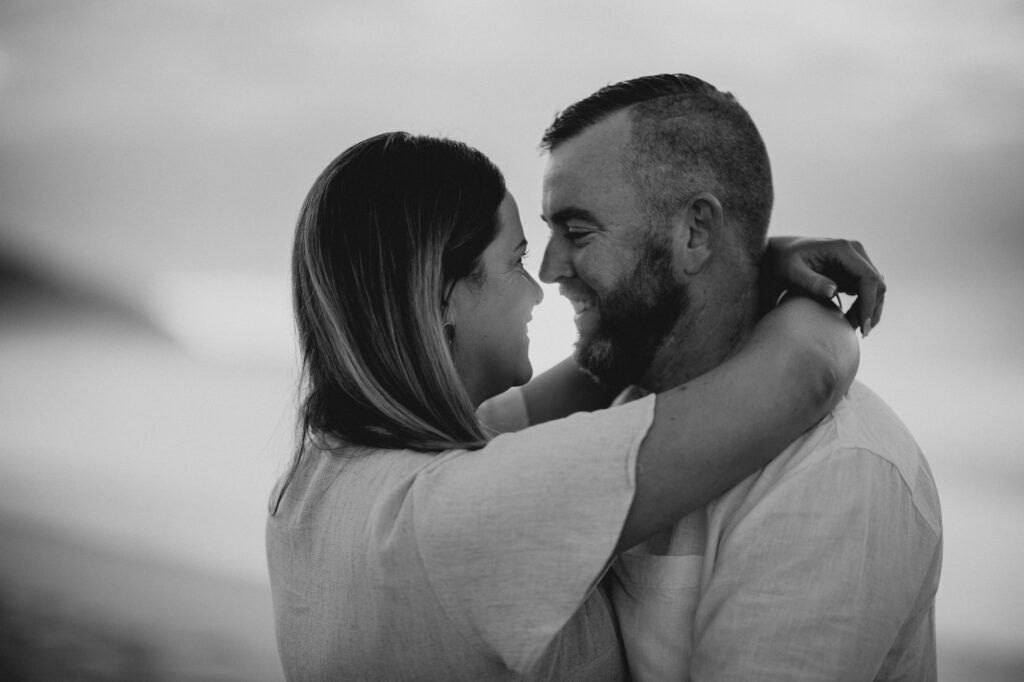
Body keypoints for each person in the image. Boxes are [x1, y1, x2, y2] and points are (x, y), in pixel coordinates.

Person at [266, 131, 879, 680]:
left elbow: (607, 364)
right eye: (515, 262)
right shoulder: (463, 517)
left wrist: (729, 261)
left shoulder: (323, 483)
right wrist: (810, 297)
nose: (540, 289)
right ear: (441, 296)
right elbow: (807, 373)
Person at [496, 73, 939, 680]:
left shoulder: (838, 467)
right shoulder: (607, 411)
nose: (549, 270)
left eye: (577, 232)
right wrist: (763, 261)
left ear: (696, 232)